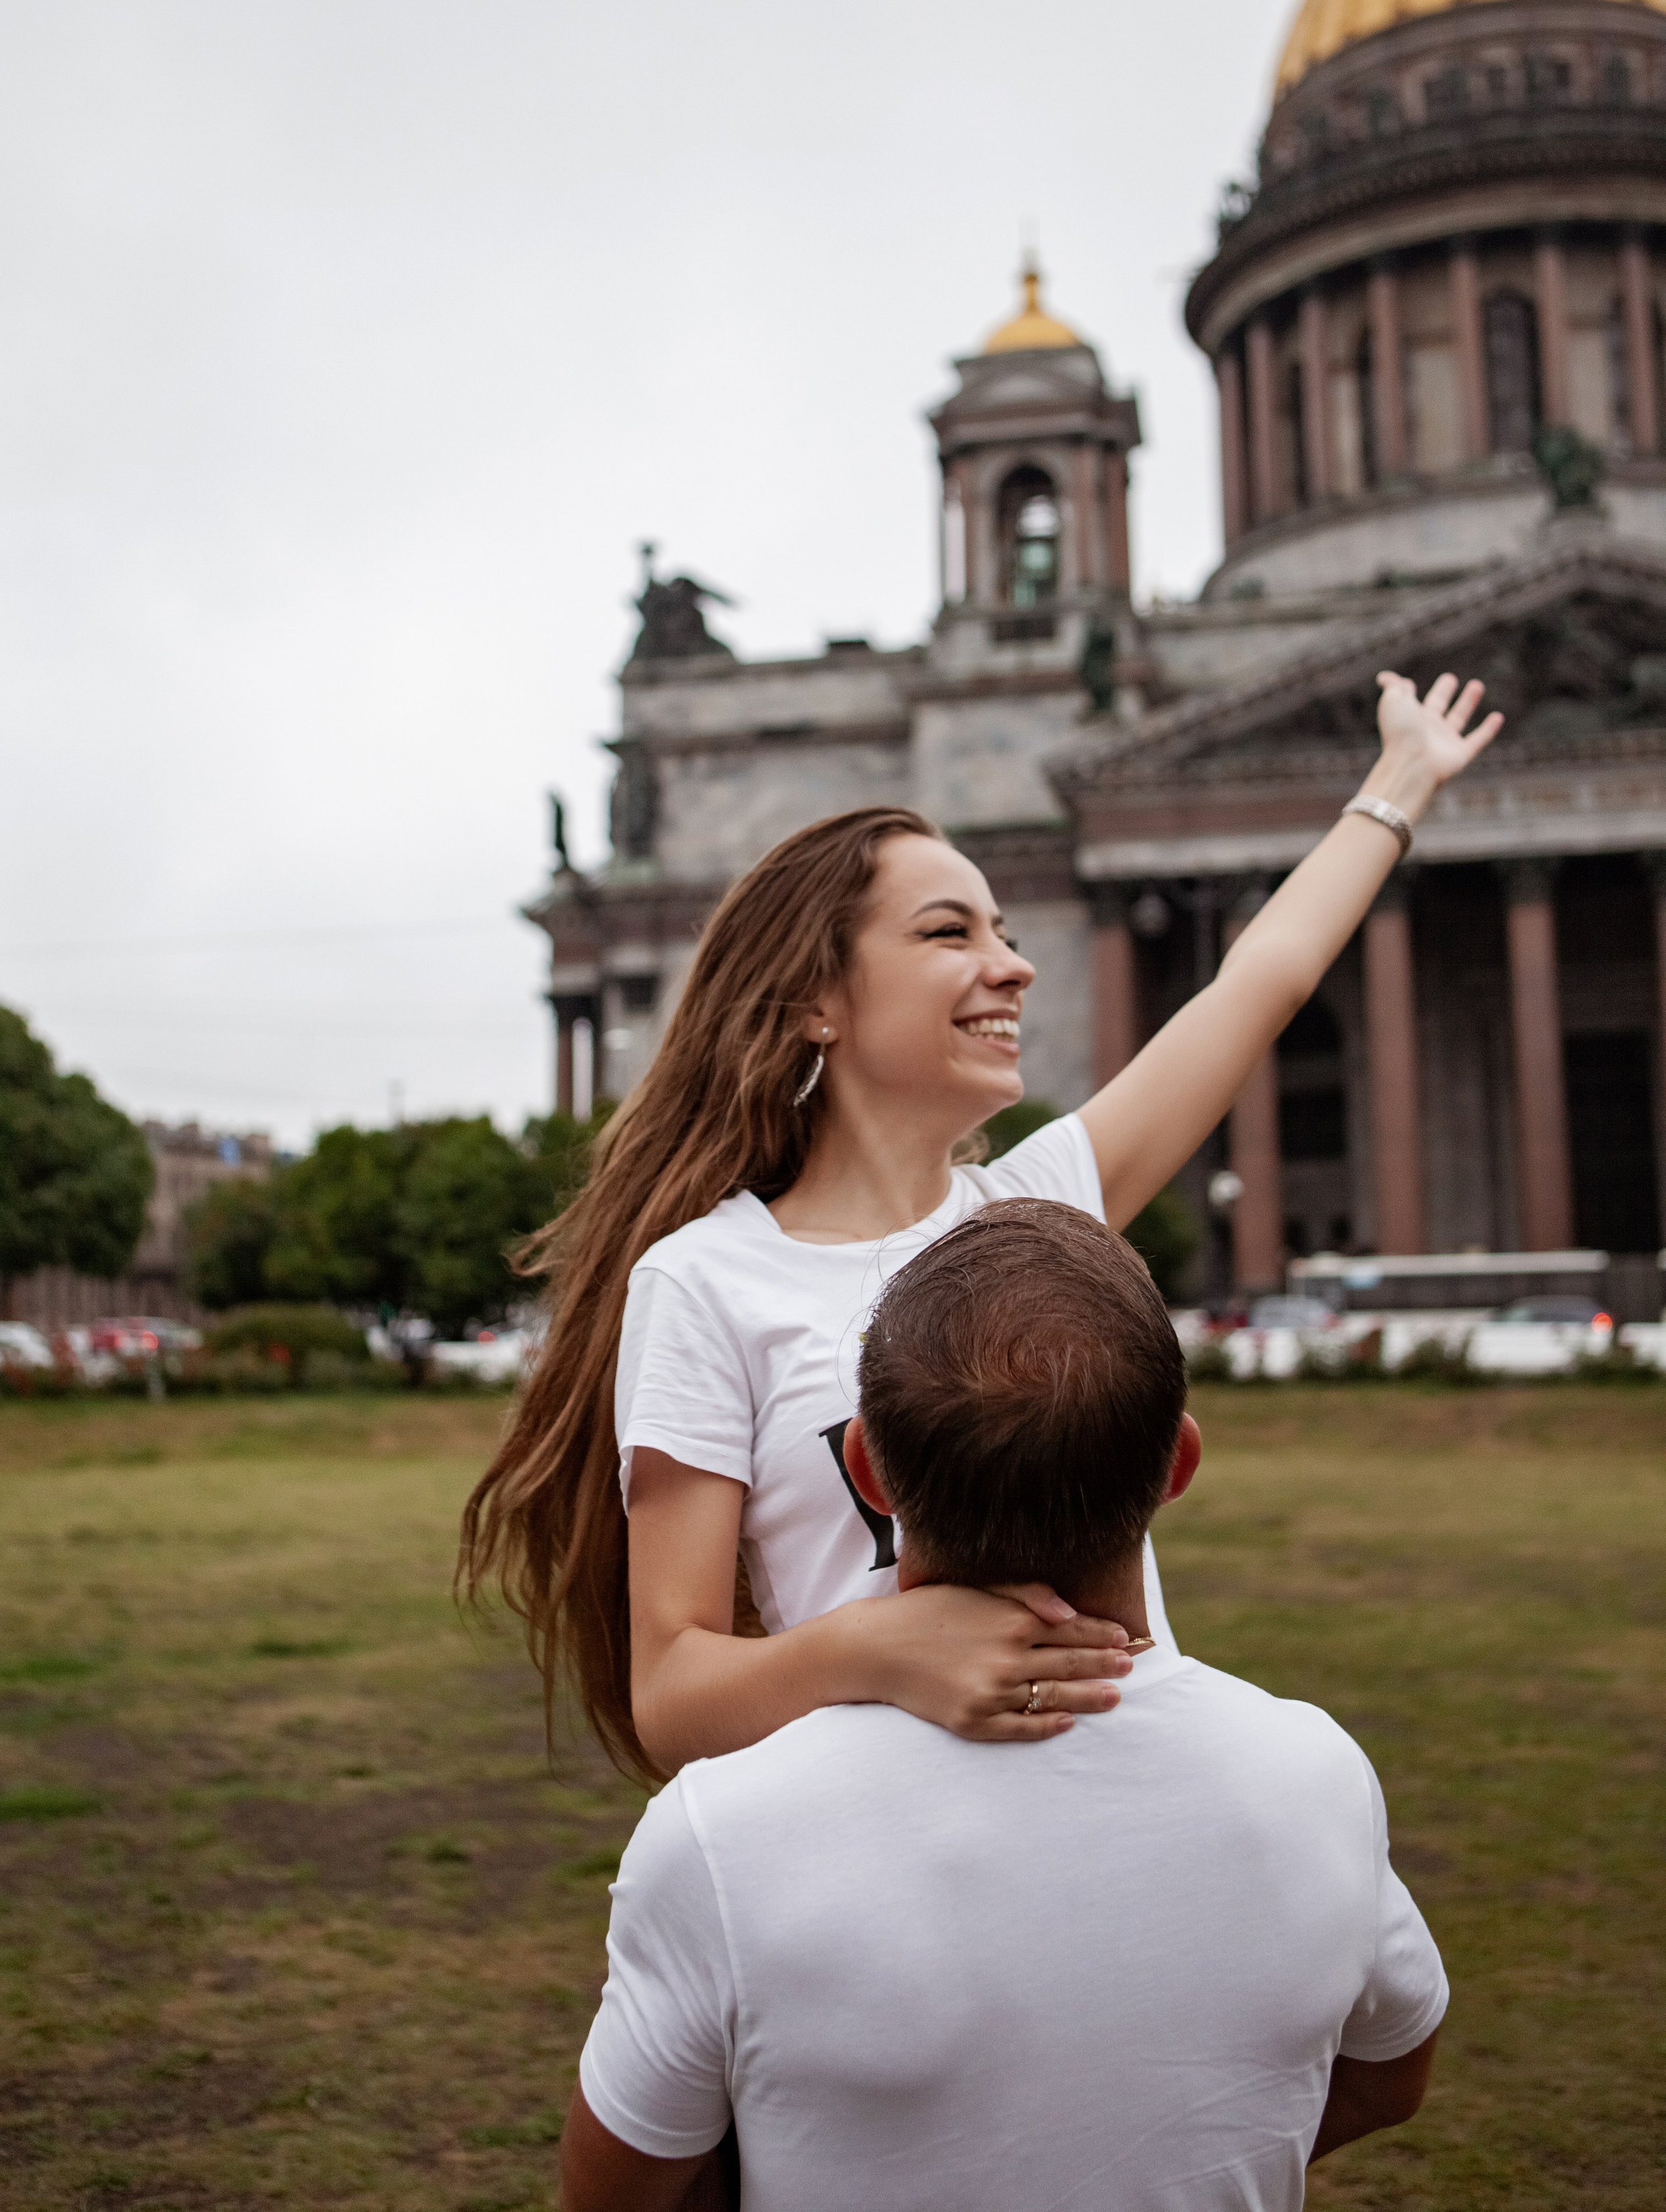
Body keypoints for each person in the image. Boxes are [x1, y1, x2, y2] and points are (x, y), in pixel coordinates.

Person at [462, 669, 1501, 1780]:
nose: (1014, 965)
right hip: (889, 1856)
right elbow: (671, 1693)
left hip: (1127, 1809)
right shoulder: (703, 1281)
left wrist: (1401, 777)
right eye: (949, 932)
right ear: (820, 998)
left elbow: (1264, 982)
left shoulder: (1038, 1208)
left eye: (1004, 930)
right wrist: (878, 1647)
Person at [560, 1202, 1448, 2212]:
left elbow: (615, 2192)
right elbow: (1392, 2068)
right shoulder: (1316, 1775)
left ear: (867, 1470)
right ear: (1178, 1466)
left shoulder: (720, 1839)